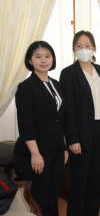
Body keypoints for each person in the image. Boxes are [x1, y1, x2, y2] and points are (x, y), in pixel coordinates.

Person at [13, 41, 68, 216]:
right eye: (38, 56)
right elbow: (25, 124)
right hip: (35, 153)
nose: (43, 60)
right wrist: (35, 154)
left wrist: (64, 146)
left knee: (52, 199)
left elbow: (61, 119)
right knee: (39, 201)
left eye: (47, 56)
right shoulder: (26, 87)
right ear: (30, 60)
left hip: (57, 151)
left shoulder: (56, 84)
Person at [59, 31, 100, 216]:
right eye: (79, 46)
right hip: (80, 136)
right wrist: (72, 140)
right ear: (74, 49)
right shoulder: (68, 73)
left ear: (94, 48)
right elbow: (68, 110)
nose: (83, 49)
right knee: (79, 186)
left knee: (95, 185)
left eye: (87, 45)